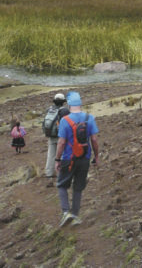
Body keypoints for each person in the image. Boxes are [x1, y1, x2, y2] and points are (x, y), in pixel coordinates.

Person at [55, 90, 99, 227]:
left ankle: (65, 212)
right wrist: (96, 156)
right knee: (78, 187)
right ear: (80, 103)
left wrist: (57, 159)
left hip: (69, 158)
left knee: (61, 184)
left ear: (69, 105)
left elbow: (61, 143)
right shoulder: (89, 118)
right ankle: (74, 216)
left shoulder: (64, 120)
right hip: (85, 158)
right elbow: (94, 139)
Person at [43, 93, 70, 178]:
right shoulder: (65, 111)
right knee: (62, 153)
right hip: (61, 136)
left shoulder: (49, 109)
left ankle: (49, 173)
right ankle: (62, 173)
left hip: (51, 135)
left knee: (51, 154)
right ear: (63, 102)